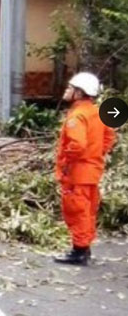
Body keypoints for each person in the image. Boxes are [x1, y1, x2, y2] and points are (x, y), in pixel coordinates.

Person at [54, 72, 117, 266]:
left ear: (79, 93)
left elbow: (77, 145)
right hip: (92, 171)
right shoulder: (97, 112)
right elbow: (109, 137)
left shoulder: (77, 115)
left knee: (76, 210)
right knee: (88, 211)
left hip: (77, 172)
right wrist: (95, 154)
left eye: (70, 87)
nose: (67, 90)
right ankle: (84, 248)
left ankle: (79, 251)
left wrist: (67, 162)